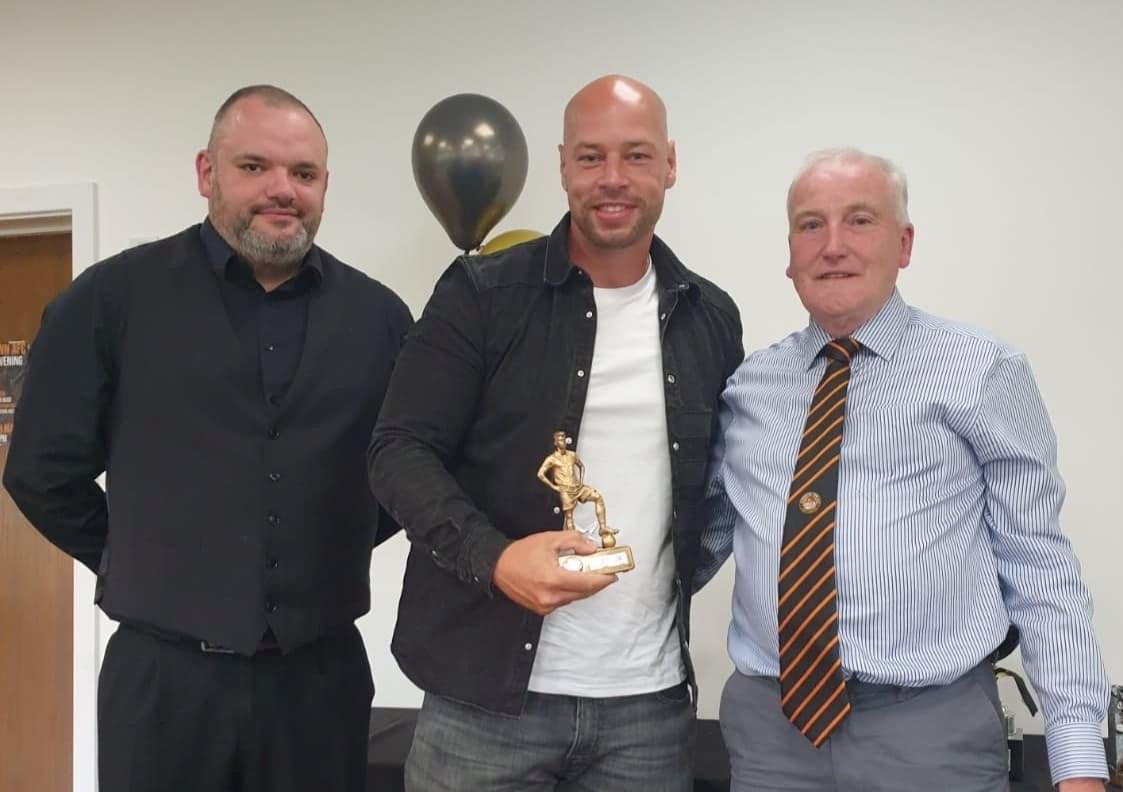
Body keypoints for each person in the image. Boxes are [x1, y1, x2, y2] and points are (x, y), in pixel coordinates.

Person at [2, 84, 412, 792]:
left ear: (323, 186)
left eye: (304, 173)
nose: (282, 189)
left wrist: (326, 545)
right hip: (162, 684)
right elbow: (40, 469)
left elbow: (407, 472)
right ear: (206, 173)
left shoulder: (379, 318)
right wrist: (132, 555)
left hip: (319, 683)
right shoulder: (110, 301)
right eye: (254, 166)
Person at [368, 74, 744, 791]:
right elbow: (397, 451)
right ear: (563, 164)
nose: (612, 178)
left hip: (648, 708)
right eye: (590, 156)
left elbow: (718, 486)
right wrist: (496, 559)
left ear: (669, 164)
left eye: (635, 156)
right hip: (483, 707)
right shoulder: (480, 297)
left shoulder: (708, 317)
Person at [696, 147, 1108, 791]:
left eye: (859, 220)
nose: (832, 245)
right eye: (811, 225)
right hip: (771, 737)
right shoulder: (749, 387)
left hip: (930, 736)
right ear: (790, 253)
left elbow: (1041, 569)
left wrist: (1078, 761)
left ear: (904, 243)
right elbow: (699, 543)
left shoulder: (982, 371)